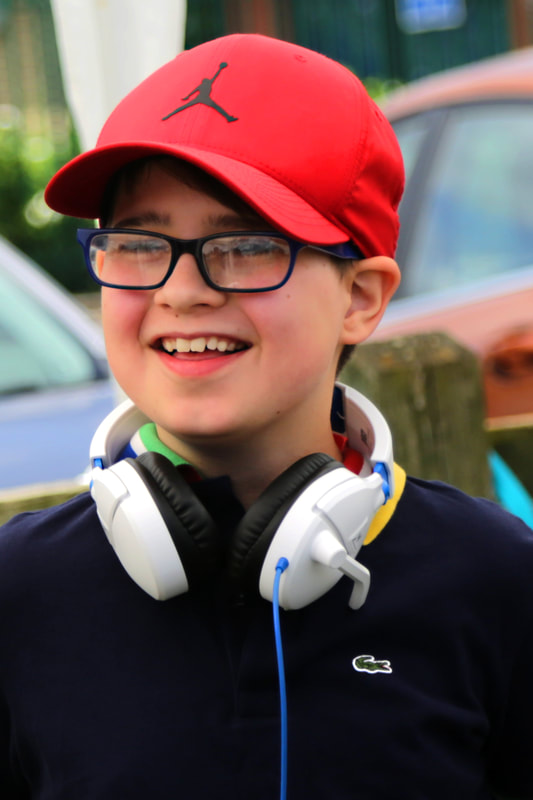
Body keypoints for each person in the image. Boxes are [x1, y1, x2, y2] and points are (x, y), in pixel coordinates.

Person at [1, 33, 532, 800]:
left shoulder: (495, 583)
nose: (181, 292)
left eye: (244, 245)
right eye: (140, 244)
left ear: (360, 298)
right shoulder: (21, 593)